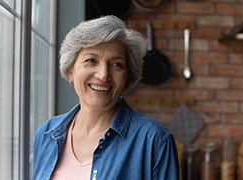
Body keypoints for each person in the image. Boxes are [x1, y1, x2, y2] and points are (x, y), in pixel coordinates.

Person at [33, 15, 179, 180]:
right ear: (70, 71)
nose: (103, 75)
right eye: (91, 60)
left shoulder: (154, 139)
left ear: (127, 77)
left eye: (117, 64)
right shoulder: (46, 134)